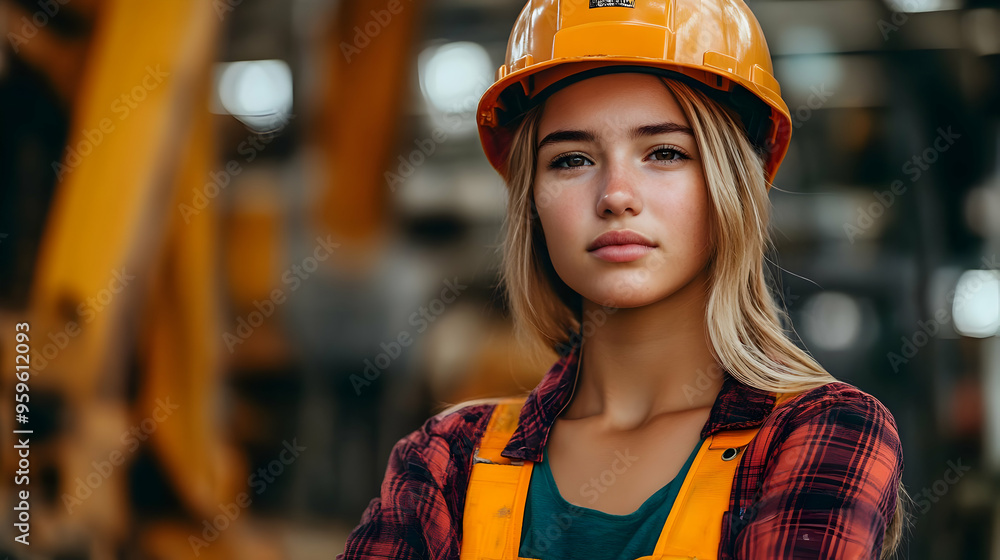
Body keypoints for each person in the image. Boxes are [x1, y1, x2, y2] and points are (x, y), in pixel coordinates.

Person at [339, 0, 908, 558]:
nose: (615, 196)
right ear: (531, 200)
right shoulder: (447, 460)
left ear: (732, 183)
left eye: (663, 152)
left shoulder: (821, 436)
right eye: (571, 160)